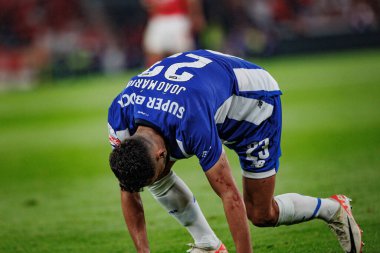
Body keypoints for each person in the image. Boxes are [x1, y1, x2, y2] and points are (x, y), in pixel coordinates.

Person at [108, 49, 363, 253]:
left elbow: (229, 194)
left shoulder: (191, 122)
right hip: (206, 86)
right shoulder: (119, 117)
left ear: (161, 154)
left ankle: (333, 209)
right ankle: (209, 244)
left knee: (261, 213)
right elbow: (128, 191)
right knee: (151, 178)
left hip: (253, 103)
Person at [140, 0, 205, 67]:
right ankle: (153, 76)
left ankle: (186, 74)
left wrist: (196, 15)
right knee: (153, 52)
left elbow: (192, 2)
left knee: (183, 54)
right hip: (157, 18)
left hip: (178, 17)